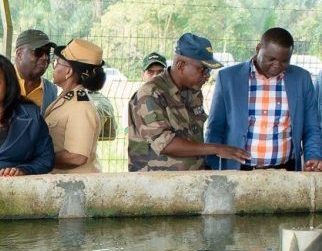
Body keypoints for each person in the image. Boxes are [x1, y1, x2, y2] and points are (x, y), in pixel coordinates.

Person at [127, 33, 249, 172]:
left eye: (208, 70)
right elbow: (166, 144)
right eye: (202, 69)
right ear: (180, 65)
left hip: (189, 181)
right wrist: (217, 148)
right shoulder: (150, 94)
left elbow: (195, 138)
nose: (207, 75)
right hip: (157, 184)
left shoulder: (193, 92)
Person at [206, 27, 322, 171]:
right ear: (258, 48)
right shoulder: (228, 78)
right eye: (271, 59)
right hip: (238, 170)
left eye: (284, 61)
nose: (277, 65)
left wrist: (313, 156)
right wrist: (212, 165)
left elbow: (311, 127)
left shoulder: (301, 79)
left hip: (286, 171)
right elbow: (215, 127)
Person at [44, 39, 105, 173]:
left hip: (76, 188)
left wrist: (40, 160)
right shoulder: (67, 99)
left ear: (69, 72)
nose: (54, 68)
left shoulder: (81, 107)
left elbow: (77, 157)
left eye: (57, 63)